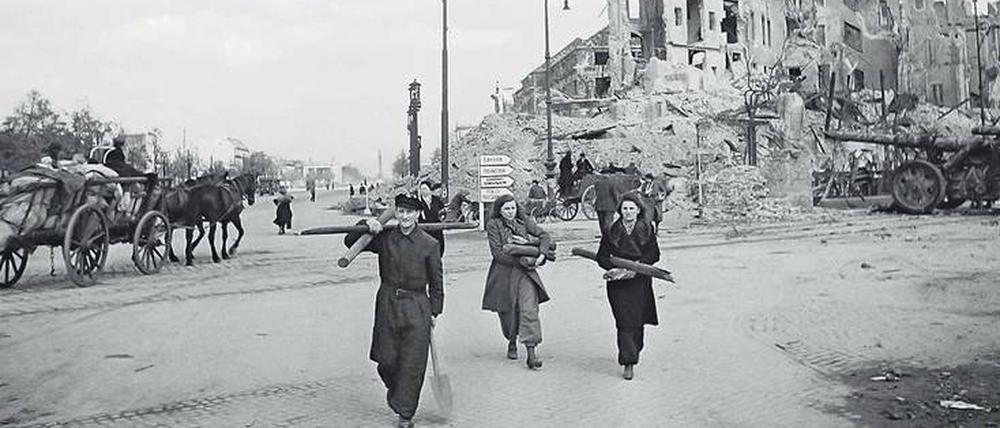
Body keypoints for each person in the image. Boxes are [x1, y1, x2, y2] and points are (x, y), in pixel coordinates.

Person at [344, 194, 444, 428]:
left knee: (413, 363)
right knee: (386, 359)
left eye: (409, 212)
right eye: (400, 212)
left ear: (418, 214)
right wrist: (366, 226)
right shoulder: (385, 238)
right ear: (396, 214)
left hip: (418, 305)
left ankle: (406, 413)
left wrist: (434, 312)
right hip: (387, 303)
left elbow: (437, 283)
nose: (404, 216)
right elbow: (351, 241)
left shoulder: (429, 244)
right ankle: (397, 392)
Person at [482, 194, 554, 369]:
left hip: (526, 274)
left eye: (513, 208)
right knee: (508, 313)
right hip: (503, 274)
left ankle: (531, 353)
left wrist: (540, 253)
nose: (510, 212)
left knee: (529, 309)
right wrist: (524, 257)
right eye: (506, 208)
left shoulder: (524, 221)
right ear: (499, 210)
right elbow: (498, 253)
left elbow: (545, 236)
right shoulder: (493, 225)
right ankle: (512, 340)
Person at [595, 192, 661, 381]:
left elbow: (654, 254)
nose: (628, 212)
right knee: (624, 322)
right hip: (618, 284)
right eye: (625, 208)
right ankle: (628, 362)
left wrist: (637, 267)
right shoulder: (611, 231)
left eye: (632, 208)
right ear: (620, 211)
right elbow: (602, 256)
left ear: (638, 210)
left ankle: (635, 349)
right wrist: (615, 268)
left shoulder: (647, 229)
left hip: (639, 281)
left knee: (637, 321)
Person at [416, 180, 446, 256]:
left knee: (438, 249)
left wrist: (442, 217)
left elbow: (443, 211)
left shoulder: (437, 200)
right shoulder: (418, 201)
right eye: (421, 189)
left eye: (425, 189)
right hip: (423, 229)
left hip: (437, 228)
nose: (423, 191)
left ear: (430, 190)